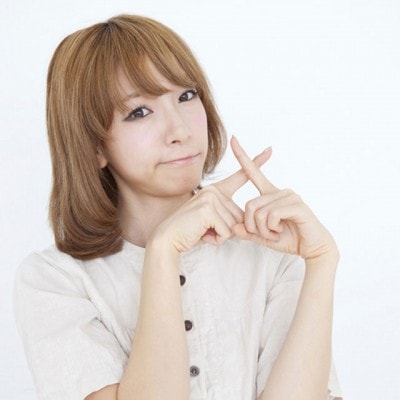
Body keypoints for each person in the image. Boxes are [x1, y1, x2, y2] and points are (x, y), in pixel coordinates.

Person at [13, 14, 343, 400]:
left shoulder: (271, 256)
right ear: (95, 146)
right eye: (139, 112)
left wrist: (322, 262)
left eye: (186, 96)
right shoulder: (55, 282)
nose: (181, 131)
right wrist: (162, 252)